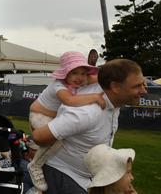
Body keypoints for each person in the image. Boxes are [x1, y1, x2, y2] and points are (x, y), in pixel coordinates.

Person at [32, 59, 147, 193]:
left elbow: (100, 74)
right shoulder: (87, 113)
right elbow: (38, 136)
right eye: (137, 86)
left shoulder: (112, 97)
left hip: (87, 178)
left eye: (143, 84)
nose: (144, 90)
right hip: (63, 175)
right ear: (115, 87)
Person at [27, 51, 106, 192]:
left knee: (58, 139)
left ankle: (40, 160)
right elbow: (69, 101)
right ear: (65, 74)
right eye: (74, 73)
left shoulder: (77, 81)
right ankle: (35, 165)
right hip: (39, 115)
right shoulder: (59, 85)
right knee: (57, 139)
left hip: (50, 115)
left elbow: (99, 78)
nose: (80, 78)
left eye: (83, 73)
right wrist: (95, 97)